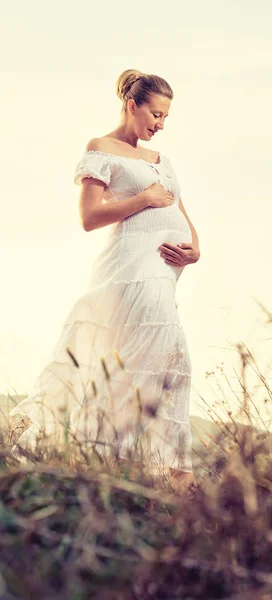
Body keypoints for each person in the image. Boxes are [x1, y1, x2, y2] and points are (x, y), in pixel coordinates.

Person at [9, 69, 200, 493]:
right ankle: (163, 471)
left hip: (165, 277)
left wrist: (196, 247)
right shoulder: (101, 150)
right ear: (131, 105)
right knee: (166, 360)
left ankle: (148, 468)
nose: (160, 125)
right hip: (131, 269)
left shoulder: (162, 161)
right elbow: (89, 218)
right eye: (155, 114)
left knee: (158, 364)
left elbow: (181, 215)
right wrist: (143, 199)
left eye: (166, 117)